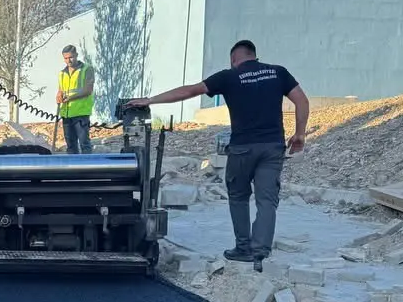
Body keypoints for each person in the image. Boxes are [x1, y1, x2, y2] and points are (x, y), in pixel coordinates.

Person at [126, 39, 309, 263]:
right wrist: (300, 134)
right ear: (254, 55)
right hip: (273, 147)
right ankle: (261, 250)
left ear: (234, 59)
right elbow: (301, 99)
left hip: (242, 148)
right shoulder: (278, 73)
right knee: (267, 199)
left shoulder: (229, 76)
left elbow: (191, 90)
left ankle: (243, 248)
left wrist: (151, 100)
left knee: (239, 196)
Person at [56, 45, 94, 154]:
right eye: (66, 58)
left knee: (84, 144)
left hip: (81, 113)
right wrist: (59, 95)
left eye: (71, 57)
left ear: (76, 55)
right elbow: (61, 90)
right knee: (71, 146)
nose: (68, 60)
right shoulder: (62, 73)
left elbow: (88, 90)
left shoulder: (87, 69)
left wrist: (70, 98)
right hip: (66, 114)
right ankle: (72, 168)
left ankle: (87, 167)